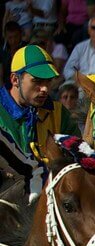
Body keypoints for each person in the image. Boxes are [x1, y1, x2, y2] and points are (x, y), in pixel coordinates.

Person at [0, 45, 80, 199]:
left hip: (49, 201)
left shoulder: (59, 113)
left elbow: (77, 160)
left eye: (48, 81)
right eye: (36, 81)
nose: (44, 89)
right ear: (15, 79)